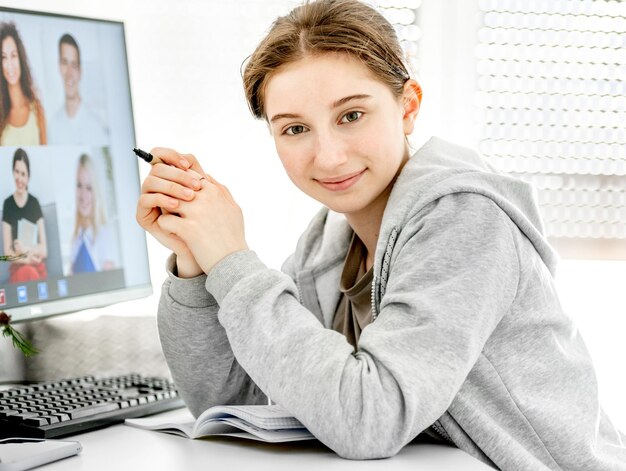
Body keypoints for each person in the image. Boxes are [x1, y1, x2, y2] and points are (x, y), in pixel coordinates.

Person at [136, 0, 626, 469]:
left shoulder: (466, 220)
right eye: (294, 129)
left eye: (351, 115)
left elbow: (370, 418)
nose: (327, 157)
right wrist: (197, 262)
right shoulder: (326, 243)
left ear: (408, 106)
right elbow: (230, 406)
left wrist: (233, 261)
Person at [48, 33, 108, 146]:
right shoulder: (53, 126)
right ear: (59, 66)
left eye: (74, 65)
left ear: (80, 71)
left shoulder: (96, 126)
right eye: (65, 63)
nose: (69, 73)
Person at [2, 148, 47, 282]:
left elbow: (44, 250)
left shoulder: (34, 203)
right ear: (12, 171)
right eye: (17, 172)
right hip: (18, 267)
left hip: (36, 265)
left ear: (28, 176)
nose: (19, 178)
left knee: (33, 274)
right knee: (28, 273)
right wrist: (26, 259)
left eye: (23, 174)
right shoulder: (8, 204)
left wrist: (25, 249)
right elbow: (6, 255)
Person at [69, 153, 118, 274]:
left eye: (89, 188)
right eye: (79, 186)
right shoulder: (76, 237)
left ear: (96, 192)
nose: (83, 195)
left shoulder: (105, 235)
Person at [0, 21, 46, 145]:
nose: (9, 64)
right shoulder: (1, 116)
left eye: (13, 55)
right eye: (4, 57)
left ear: (20, 58)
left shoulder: (37, 109)